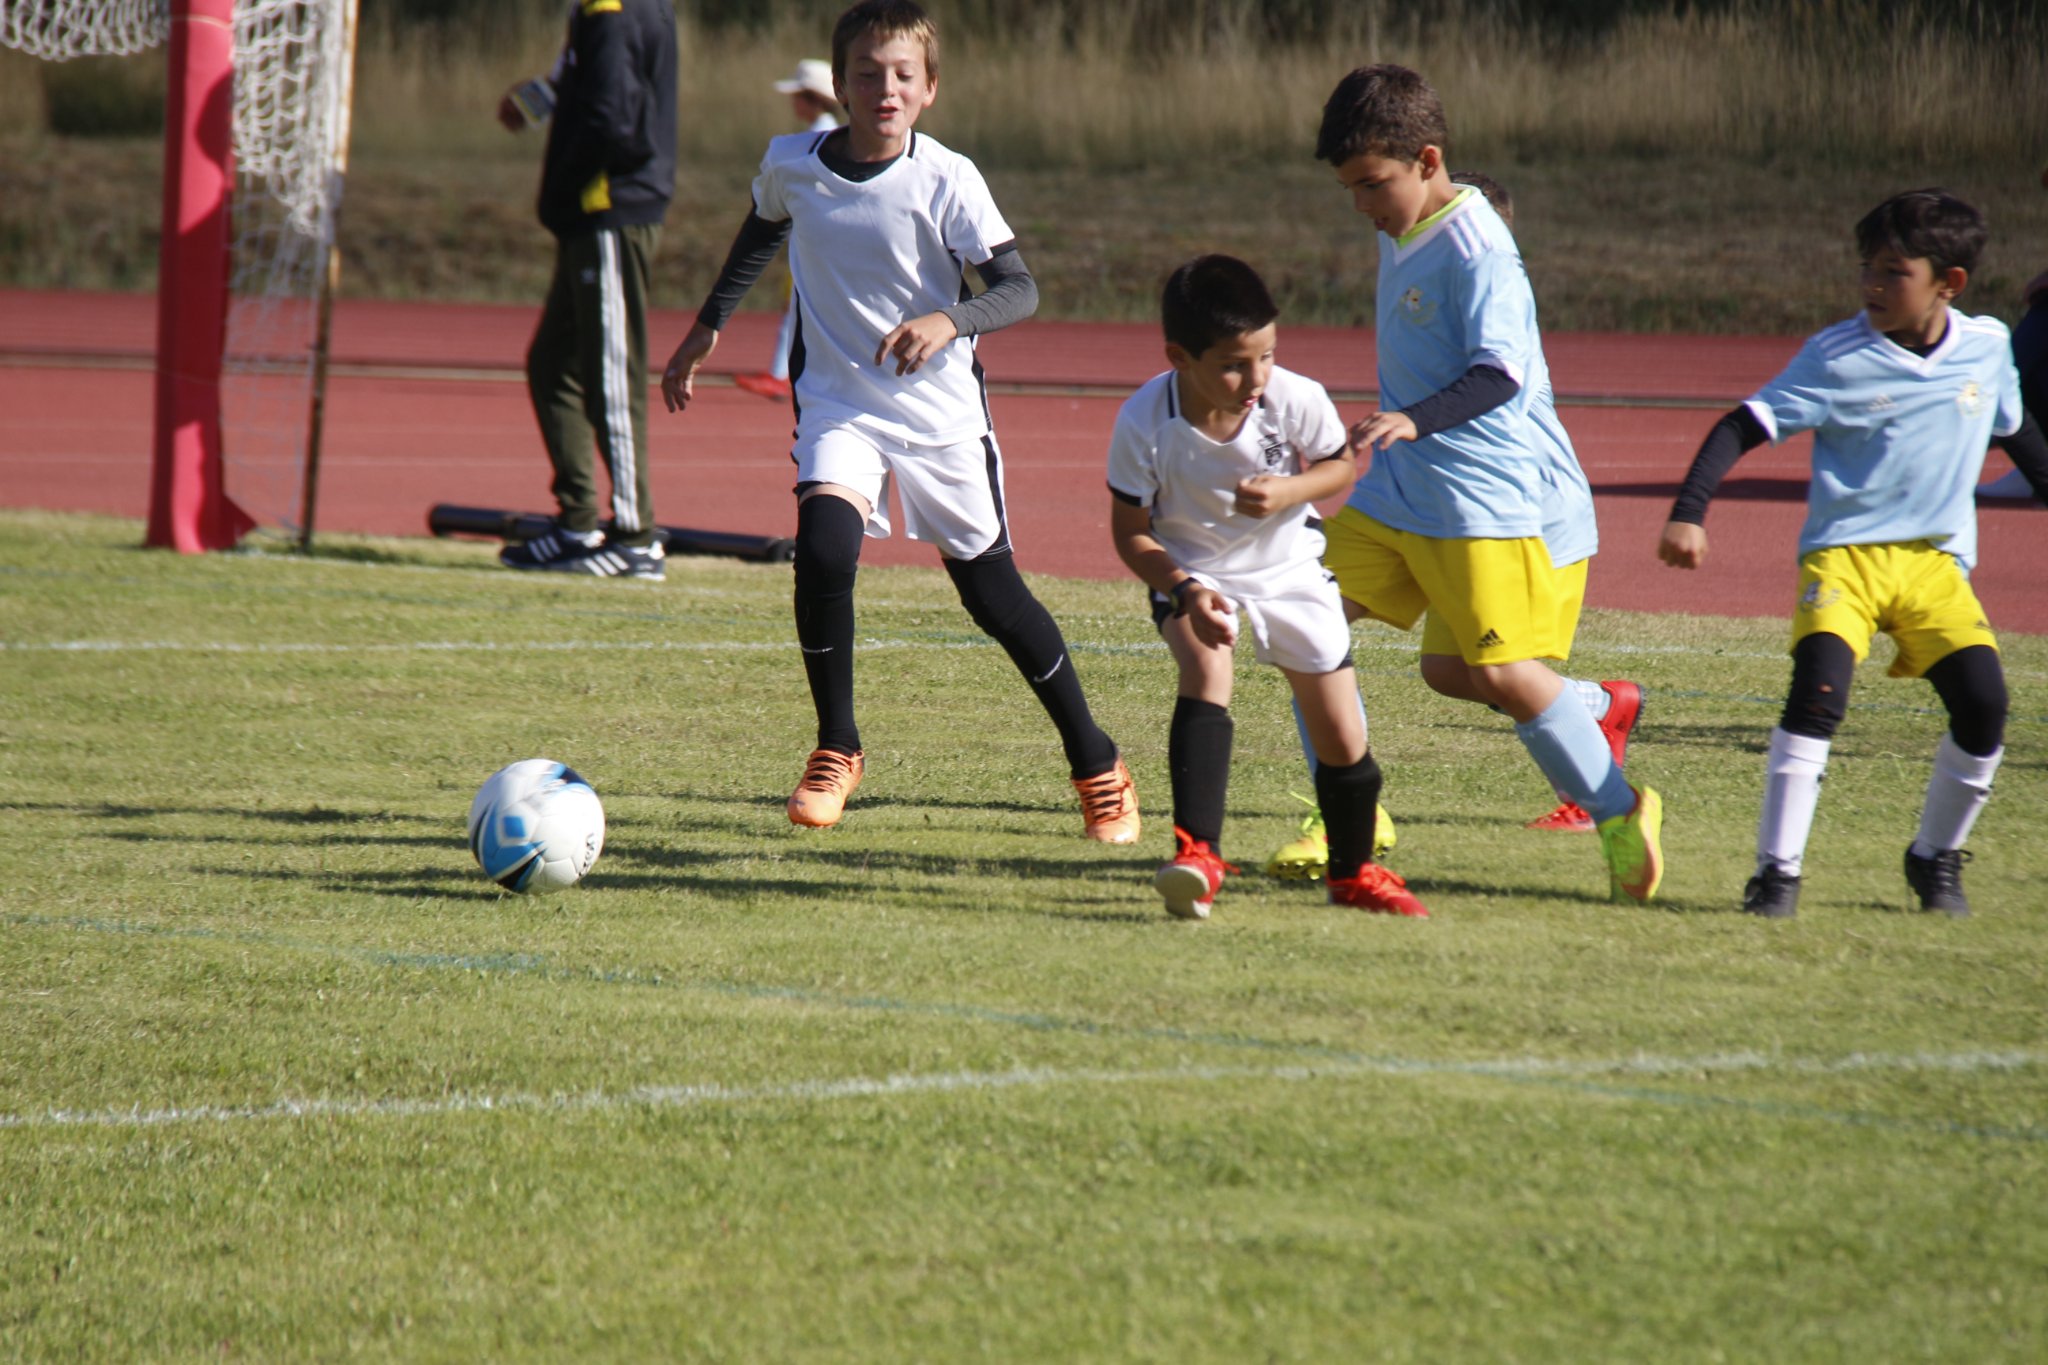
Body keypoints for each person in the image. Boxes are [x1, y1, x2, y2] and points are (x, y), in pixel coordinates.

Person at [658, 0, 1141, 841]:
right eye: (868, 73)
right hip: (842, 403)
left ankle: (1097, 760)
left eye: (903, 75)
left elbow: (1018, 288)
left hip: (941, 415)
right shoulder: (793, 163)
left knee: (995, 597)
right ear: (839, 85)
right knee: (825, 547)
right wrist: (706, 326)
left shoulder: (950, 178)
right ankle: (837, 747)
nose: (886, 87)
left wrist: (949, 320)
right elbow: (760, 231)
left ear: (929, 90)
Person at [1307, 64, 1662, 905]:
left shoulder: (1480, 250)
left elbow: (1500, 375)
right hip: (1398, 494)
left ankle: (1619, 810)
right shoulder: (1403, 224)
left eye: (1373, 185)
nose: (1363, 205)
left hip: (1477, 498)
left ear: (1427, 159)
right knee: (1305, 621)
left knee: (1500, 675)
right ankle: (1356, 822)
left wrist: (1411, 419)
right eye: (1350, 188)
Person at [1660, 188, 2048, 918]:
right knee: (1819, 694)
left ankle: (1934, 858)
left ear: (1949, 283)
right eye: (1867, 268)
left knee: (1986, 705)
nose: (1872, 285)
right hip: (1844, 560)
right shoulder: (1836, 356)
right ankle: (1776, 876)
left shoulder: (1989, 347)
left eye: (1893, 272)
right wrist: (1689, 513)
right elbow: (1740, 426)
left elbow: (2017, 429)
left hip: (1935, 566)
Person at [1109, 255, 1426, 919]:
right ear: (1179, 357)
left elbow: (1340, 466)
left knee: (1341, 733)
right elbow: (1132, 534)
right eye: (1233, 363)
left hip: (1290, 569)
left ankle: (1353, 871)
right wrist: (1186, 588)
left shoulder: (1293, 397)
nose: (1255, 378)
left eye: (1267, 356)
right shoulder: (1145, 420)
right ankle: (1199, 854)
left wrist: (1291, 489)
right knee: (1206, 667)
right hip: (1195, 571)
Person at [497, 0, 678, 581]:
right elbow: (575, 79)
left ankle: (635, 538)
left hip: (608, 210)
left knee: (609, 373)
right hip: (590, 214)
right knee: (552, 364)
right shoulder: (595, 12)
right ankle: (577, 522)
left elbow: (612, 116)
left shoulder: (613, 10)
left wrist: (568, 186)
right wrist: (528, 105)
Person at [736, 59, 843, 403]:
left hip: (815, 237)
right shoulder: (827, 130)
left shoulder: (819, 135)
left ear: (812, 98)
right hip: (811, 234)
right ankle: (784, 371)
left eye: (797, 95)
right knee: (796, 304)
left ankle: (781, 373)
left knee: (798, 303)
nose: (792, 102)